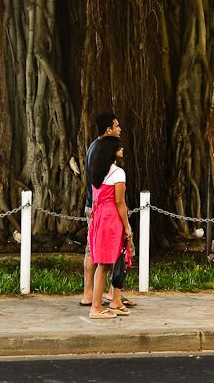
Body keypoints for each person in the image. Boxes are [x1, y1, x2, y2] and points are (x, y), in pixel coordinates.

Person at [87, 136, 132, 319]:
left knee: (103, 263)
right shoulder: (118, 173)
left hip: (99, 216)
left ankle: (106, 303)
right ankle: (96, 307)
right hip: (111, 219)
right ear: (112, 151)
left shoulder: (97, 171)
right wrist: (127, 226)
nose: (122, 150)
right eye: (119, 148)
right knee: (105, 264)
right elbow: (119, 202)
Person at [80, 113, 122, 306]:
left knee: (95, 250)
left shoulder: (95, 147)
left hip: (96, 206)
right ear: (108, 130)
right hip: (101, 209)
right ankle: (93, 295)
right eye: (116, 126)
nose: (119, 129)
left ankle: (101, 293)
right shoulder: (101, 151)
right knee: (98, 251)